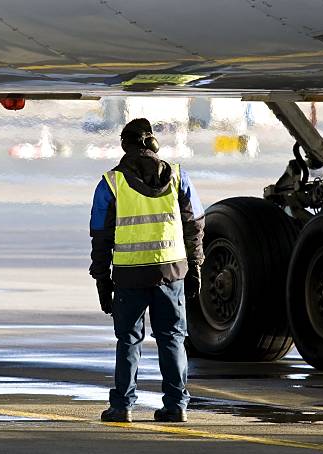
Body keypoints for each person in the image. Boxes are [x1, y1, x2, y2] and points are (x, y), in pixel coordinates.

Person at [89, 118, 204, 423]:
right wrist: (195, 266)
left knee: (128, 339)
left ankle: (122, 406)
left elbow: (100, 234)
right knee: (173, 338)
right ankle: (177, 405)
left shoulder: (111, 183)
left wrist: (101, 278)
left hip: (130, 275)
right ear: (152, 143)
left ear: (125, 145)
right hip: (171, 272)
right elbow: (195, 224)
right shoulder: (180, 176)